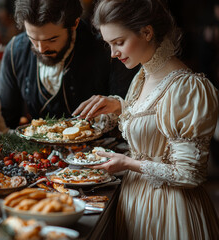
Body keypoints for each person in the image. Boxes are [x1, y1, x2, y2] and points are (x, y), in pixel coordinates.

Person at [73, 0, 219, 239]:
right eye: (109, 44)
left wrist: (127, 163)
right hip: (135, 202)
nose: (113, 53)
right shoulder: (143, 74)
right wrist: (121, 106)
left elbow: (189, 174)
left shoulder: (188, 88)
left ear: (147, 32)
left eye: (119, 42)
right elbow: (155, 117)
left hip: (170, 210)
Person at [0, 0, 138, 129]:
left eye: (52, 39)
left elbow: (133, 114)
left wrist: (117, 106)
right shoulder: (16, 50)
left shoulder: (107, 49)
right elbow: (5, 119)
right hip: (38, 154)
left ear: (74, 24)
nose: (41, 49)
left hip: (100, 152)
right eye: (32, 38)